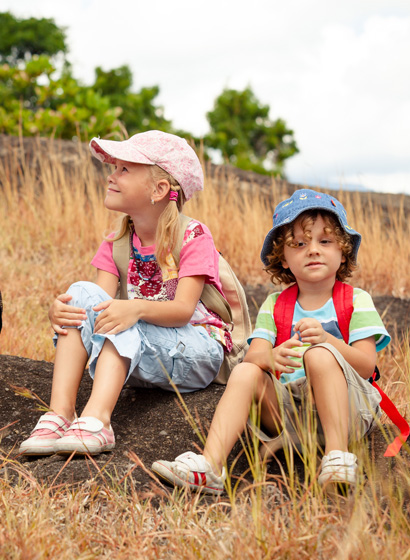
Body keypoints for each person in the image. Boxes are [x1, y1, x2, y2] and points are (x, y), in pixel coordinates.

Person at [152, 189, 390, 494]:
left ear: (342, 252)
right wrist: (271, 357)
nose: (313, 250)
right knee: (245, 371)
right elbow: (254, 358)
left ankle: (337, 457)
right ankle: (211, 466)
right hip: (289, 414)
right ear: (285, 259)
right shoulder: (276, 305)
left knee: (319, 355)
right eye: (299, 244)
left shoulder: (355, 300)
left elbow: (367, 364)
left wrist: (329, 341)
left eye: (325, 241)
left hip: (348, 409)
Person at [20, 130, 231, 456]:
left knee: (124, 315)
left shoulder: (193, 236)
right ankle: (60, 414)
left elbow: (183, 310)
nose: (112, 176)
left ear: (160, 189)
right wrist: (61, 312)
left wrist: (135, 309)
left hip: (195, 350)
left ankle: (98, 420)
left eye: (124, 169)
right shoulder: (116, 243)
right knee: (80, 292)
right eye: (114, 167)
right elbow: (98, 308)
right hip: (142, 352)